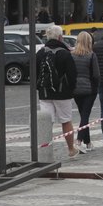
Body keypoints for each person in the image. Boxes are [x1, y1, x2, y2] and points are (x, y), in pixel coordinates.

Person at [37, 25, 79, 158]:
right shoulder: (65, 53)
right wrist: (71, 89)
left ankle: (45, 150)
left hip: (44, 92)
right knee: (66, 121)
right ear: (60, 37)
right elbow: (72, 75)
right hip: (63, 93)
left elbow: (33, 72)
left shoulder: (40, 53)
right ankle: (71, 149)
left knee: (46, 121)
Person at [71, 31, 100, 153]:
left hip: (76, 90)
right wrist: (96, 88)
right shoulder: (91, 55)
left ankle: (88, 143)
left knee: (83, 115)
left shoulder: (72, 55)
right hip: (89, 90)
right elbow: (96, 75)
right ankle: (78, 141)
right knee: (85, 115)